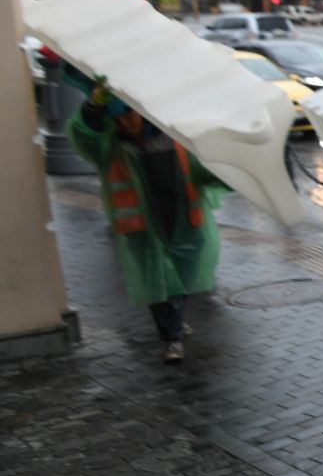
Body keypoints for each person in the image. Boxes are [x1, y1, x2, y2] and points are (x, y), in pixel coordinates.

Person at [68, 77, 225, 364]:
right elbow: (84, 137)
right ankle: (171, 338)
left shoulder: (174, 137)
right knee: (157, 280)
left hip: (184, 219)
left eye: (129, 114)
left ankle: (175, 318)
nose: (126, 123)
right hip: (142, 228)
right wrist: (92, 108)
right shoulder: (112, 147)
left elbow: (206, 167)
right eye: (118, 118)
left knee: (183, 275)